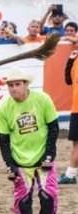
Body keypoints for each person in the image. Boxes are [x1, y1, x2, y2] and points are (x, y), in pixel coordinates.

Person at [0, 67, 60, 214]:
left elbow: (53, 128)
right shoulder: (4, 108)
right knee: (22, 201)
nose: (13, 89)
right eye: (10, 85)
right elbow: (3, 140)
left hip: (42, 158)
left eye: (17, 84)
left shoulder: (42, 99)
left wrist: (49, 155)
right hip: (20, 161)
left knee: (48, 196)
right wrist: (9, 164)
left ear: (25, 85)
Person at [59, 49, 78, 184]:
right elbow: (69, 80)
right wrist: (70, 61)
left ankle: (70, 175)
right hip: (76, 107)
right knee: (76, 143)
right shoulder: (76, 59)